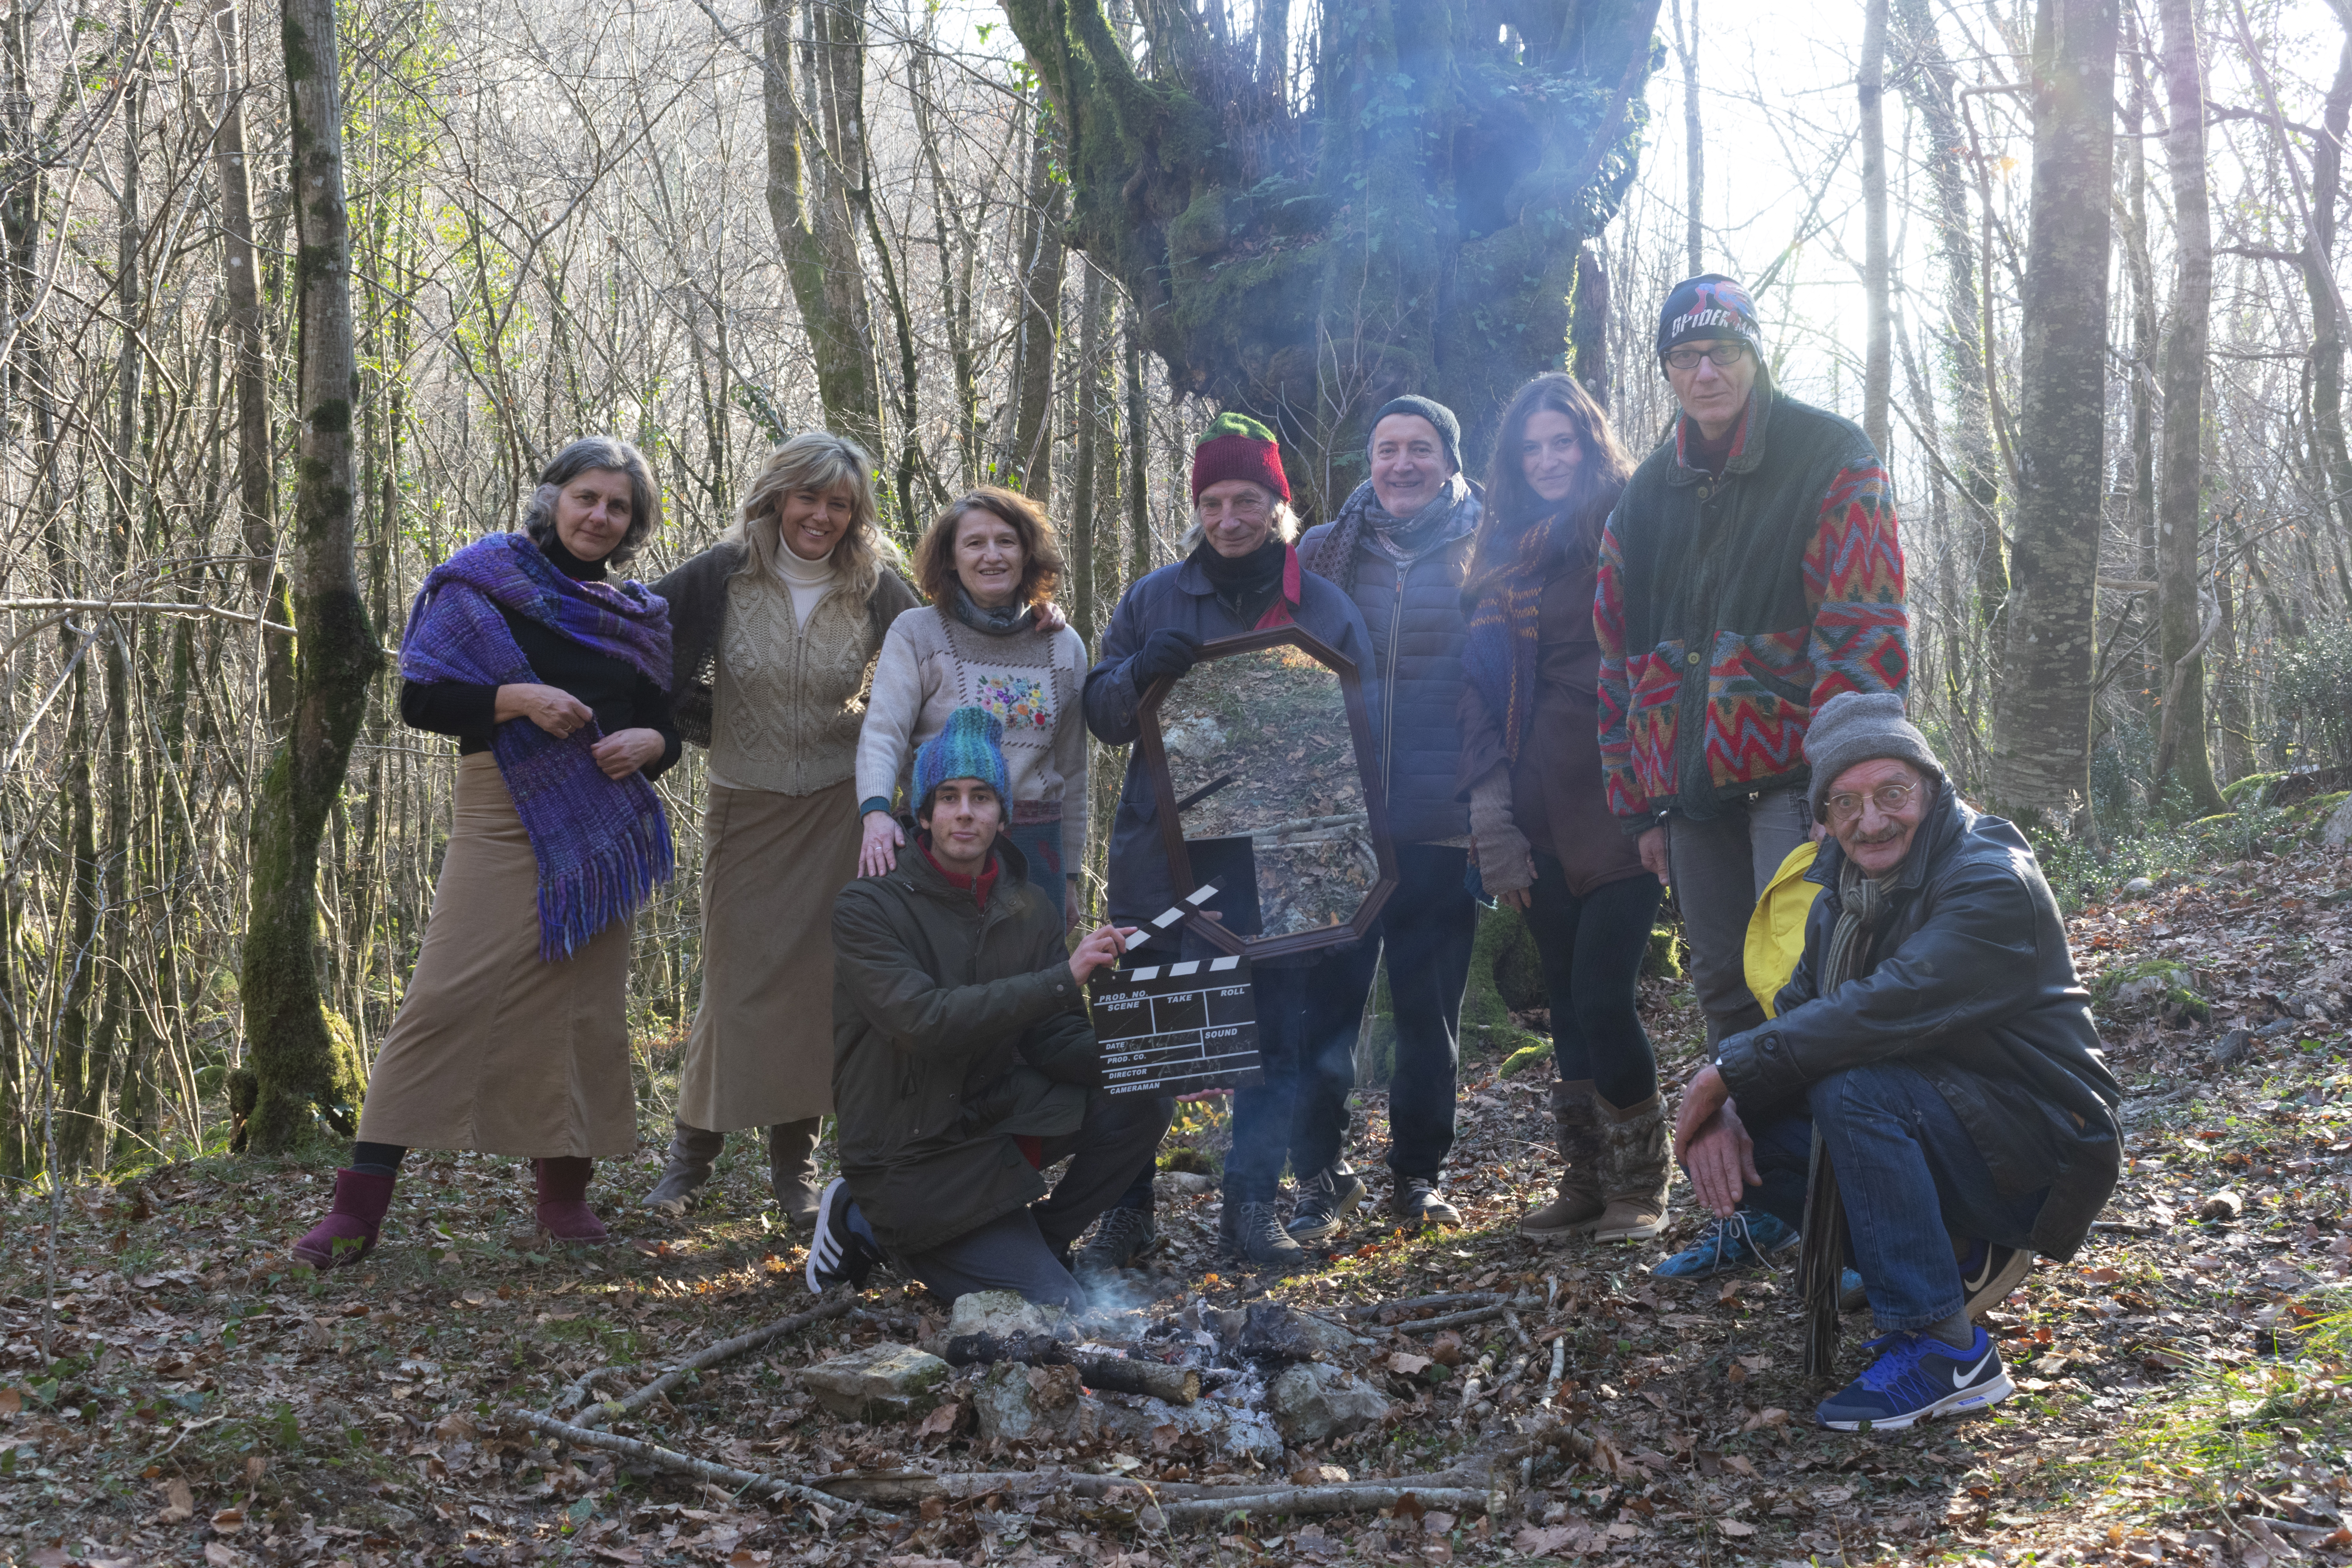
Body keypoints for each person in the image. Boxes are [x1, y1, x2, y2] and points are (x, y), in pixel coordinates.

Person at [1673, 693, 2121, 1430]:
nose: (1871, 821)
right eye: (1845, 803)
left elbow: (1884, 1008)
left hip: (2043, 1142)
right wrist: (1726, 1105)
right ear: (1822, 815)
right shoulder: (1836, 902)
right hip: (1954, 1117)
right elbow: (1800, 1023)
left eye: (1891, 793)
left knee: (1853, 1087)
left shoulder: (1989, 876)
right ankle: (1944, 1256)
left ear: (1931, 787)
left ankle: (1946, 1348)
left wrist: (1728, 1070)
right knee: (1745, 1140)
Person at [291, 438, 679, 1268]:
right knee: (443, 996)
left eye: (618, 506)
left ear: (633, 525)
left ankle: (564, 1199)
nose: (599, 516)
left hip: (602, 824)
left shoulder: (638, 613)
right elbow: (419, 696)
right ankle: (355, 1210)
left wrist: (652, 740)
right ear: (553, 498)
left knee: (581, 1009)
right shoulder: (482, 582)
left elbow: (666, 719)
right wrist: (519, 697)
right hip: (501, 811)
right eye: (587, 497)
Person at [1595, 273, 1909, 1270]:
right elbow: (1617, 656)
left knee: (1814, 989)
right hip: (1687, 795)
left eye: (1721, 351)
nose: (1704, 370)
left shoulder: (1827, 455)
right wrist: (1640, 797)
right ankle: (1769, 1204)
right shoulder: (1643, 495)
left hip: (1797, 782)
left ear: (1753, 352)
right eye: (1684, 357)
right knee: (1729, 993)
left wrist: (1847, 787)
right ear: (1667, 371)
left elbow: (1865, 629)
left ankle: (1860, 1213)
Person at [1080, 412, 1378, 1272]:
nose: (1230, 516)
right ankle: (1124, 1216)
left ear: (1280, 508)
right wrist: (1143, 670)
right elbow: (1101, 715)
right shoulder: (1153, 598)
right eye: (1213, 500)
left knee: (1273, 1036)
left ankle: (1250, 1210)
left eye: (1249, 498)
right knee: (1146, 1038)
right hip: (1161, 858)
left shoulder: (1323, 606)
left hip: (1279, 862)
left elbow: (1361, 739)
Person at [640, 433, 919, 1224]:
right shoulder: (721, 574)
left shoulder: (875, 587)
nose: (821, 516)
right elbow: (634, 636)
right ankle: (689, 1159)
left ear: (855, 514)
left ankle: (794, 1170)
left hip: (838, 808)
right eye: (809, 498)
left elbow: (935, 654)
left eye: (839, 504)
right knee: (730, 986)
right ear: (777, 497)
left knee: (815, 989)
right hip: (747, 803)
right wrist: (699, 721)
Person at [808, 707, 1172, 1308]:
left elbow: (1056, 1040)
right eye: (948, 797)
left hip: (990, 1121)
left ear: (1004, 815)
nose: (965, 812)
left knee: (1143, 1095)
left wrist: (1157, 1055)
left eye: (982, 796)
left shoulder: (1029, 908)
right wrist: (1065, 976)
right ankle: (863, 1218)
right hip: (911, 1157)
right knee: (1061, 1312)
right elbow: (923, 1023)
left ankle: (1040, 1241)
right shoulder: (867, 907)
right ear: (923, 813)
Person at [1453, 373, 1668, 1246]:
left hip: (1619, 796)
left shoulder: (1627, 527)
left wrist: (1663, 794)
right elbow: (1477, 692)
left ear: (1589, 443)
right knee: (1568, 1006)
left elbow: (1657, 663)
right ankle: (1584, 1181)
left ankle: (1641, 1185)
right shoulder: (1499, 552)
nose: (1548, 459)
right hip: (1535, 807)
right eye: (1531, 447)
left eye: (1562, 442)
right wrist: (1491, 817)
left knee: (1605, 993)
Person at [1291, 396, 1483, 1238]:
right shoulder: (1323, 553)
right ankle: (1318, 1173)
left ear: (1449, 458)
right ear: (1367, 462)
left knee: (1426, 1013)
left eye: (1420, 448)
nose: (1401, 464)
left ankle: (1417, 1174)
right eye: (1386, 449)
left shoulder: (1490, 546)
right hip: (1343, 824)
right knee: (1326, 1005)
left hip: (1444, 820)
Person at [856, 486, 1089, 927]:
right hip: (940, 847)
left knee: (1034, 988)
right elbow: (883, 732)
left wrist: (1072, 874)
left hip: (1036, 849)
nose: (992, 556)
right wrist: (875, 812)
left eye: (1006, 541)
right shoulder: (916, 633)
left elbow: (1073, 767)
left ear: (1026, 553)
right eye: (974, 543)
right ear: (950, 558)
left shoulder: (1063, 645)